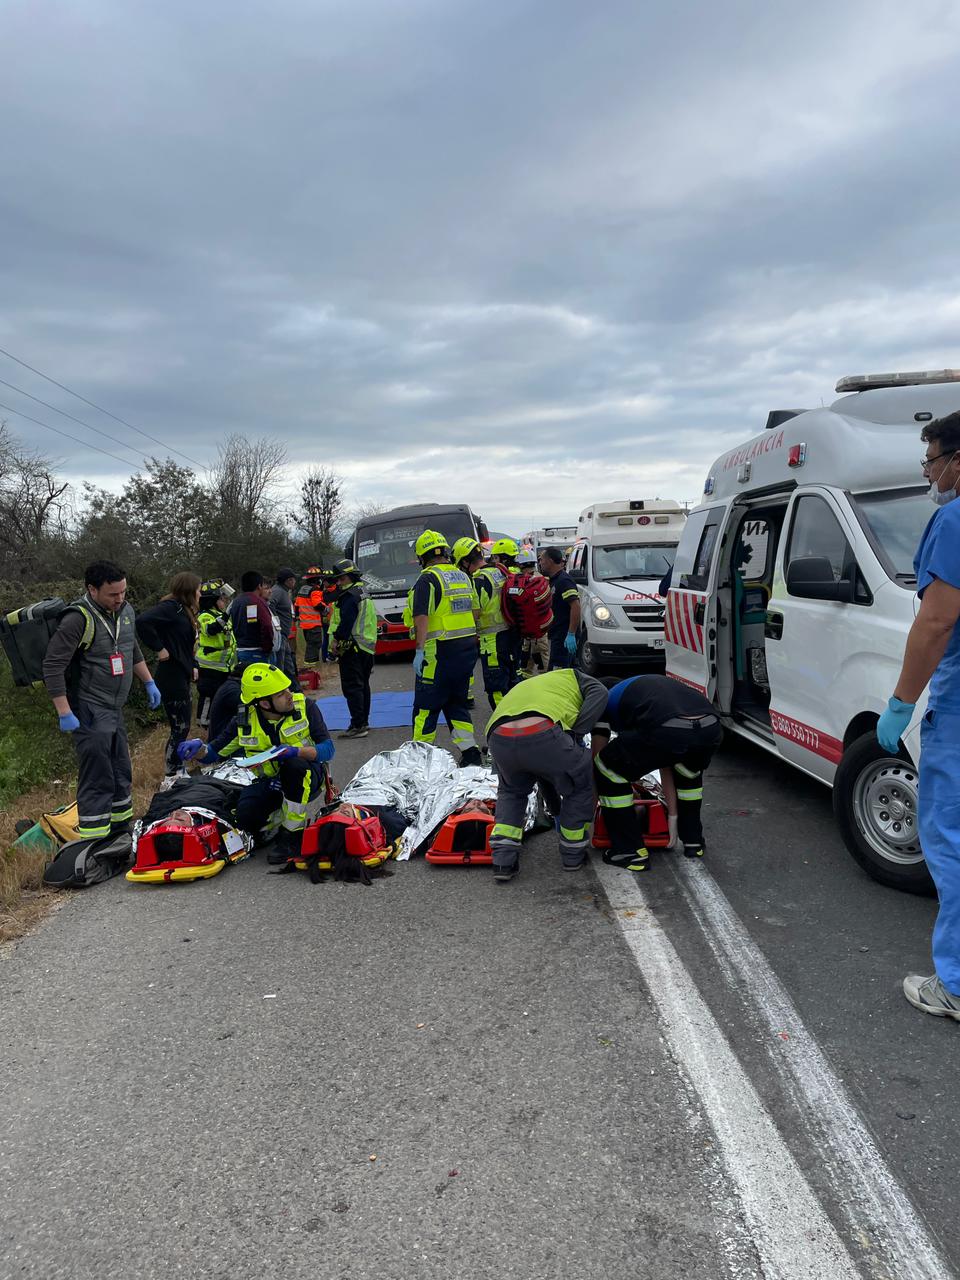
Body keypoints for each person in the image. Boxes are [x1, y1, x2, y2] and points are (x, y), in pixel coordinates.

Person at [878, 411, 960, 1021]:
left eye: (931, 460)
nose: (930, 472)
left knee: (952, 839)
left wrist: (902, 700)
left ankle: (954, 983)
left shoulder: (953, 520)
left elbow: (935, 621)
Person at [42, 560, 161, 840]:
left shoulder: (125, 611)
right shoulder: (78, 618)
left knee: (121, 769)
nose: (119, 599)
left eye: (123, 593)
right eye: (112, 594)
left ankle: (120, 830)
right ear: (92, 590)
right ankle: (95, 840)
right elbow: (52, 666)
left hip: (114, 707)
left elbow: (132, 650)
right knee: (98, 775)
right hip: (89, 707)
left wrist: (149, 682)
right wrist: (64, 711)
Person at [178, 662, 335, 862]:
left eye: (287, 689)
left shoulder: (305, 707)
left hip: (308, 776)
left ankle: (293, 835)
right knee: (246, 816)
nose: (289, 695)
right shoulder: (243, 722)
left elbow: (328, 750)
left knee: (295, 767)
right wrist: (197, 749)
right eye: (281, 694)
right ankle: (276, 819)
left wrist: (296, 752)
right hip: (269, 781)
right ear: (264, 703)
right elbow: (213, 753)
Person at [486, 667, 608, 881]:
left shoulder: (546, 684)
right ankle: (572, 855)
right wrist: (576, 734)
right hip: (541, 730)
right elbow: (602, 694)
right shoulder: (585, 681)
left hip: (499, 736)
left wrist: (556, 810)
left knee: (511, 792)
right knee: (581, 778)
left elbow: (544, 773)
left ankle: (503, 863)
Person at [591, 674, 722, 872]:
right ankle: (693, 842)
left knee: (606, 767)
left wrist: (592, 810)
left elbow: (597, 757)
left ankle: (629, 852)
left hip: (669, 727)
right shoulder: (647, 690)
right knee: (688, 771)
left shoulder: (605, 700)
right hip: (710, 726)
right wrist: (673, 818)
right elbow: (666, 760)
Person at [410, 529, 482, 766]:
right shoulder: (462, 577)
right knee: (457, 704)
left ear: (423, 556)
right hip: (465, 651)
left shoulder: (427, 579)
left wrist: (419, 650)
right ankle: (470, 753)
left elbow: (421, 617)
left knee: (425, 708)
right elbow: (475, 612)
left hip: (437, 653)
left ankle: (421, 759)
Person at [136, 572, 201, 778]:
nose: (200, 593)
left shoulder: (185, 611)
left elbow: (184, 644)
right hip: (170, 675)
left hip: (182, 671)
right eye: (198, 589)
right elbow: (142, 621)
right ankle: (172, 772)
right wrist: (159, 648)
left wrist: (193, 664)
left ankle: (177, 768)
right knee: (179, 726)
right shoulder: (170, 607)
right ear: (189, 590)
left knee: (183, 725)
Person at [453, 536, 515, 711]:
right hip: (510, 635)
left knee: (496, 688)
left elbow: (475, 613)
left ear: (466, 561)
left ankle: (506, 725)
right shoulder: (499, 572)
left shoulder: (479, 581)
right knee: (511, 682)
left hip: (493, 641)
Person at [329, 558, 378, 739]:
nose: (339, 582)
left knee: (352, 687)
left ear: (350, 576)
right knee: (363, 685)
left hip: (353, 646)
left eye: (342, 579)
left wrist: (336, 640)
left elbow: (346, 623)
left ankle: (358, 725)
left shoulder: (349, 596)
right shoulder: (362, 591)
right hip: (366, 646)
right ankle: (363, 721)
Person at [196, 580, 236, 729]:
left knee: (219, 696)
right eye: (220, 599)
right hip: (209, 665)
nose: (223, 601)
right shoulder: (205, 616)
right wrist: (226, 615)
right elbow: (211, 629)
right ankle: (204, 726)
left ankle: (216, 723)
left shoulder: (219, 614)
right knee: (208, 695)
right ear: (212, 601)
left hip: (223, 666)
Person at [539, 546, 582, 670]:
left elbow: (575, 606)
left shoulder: (563, 581)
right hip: (558, 635)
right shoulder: (554, 580)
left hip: (564, 636)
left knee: (558, 673)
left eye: (542, 560)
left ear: (550, 561)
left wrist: (571, 634)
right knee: (570, 672)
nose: (540, 563)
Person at [230, 571, 275, 666]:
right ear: (259, 586)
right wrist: (268, 647)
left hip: (240, 650)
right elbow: (267, 626)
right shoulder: (257, 601)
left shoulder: (236, 601)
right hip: (257, 652)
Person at [269, 567, 298, 680]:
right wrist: (277, 624)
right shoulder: (278, 591)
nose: (294, 582)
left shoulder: (284, 591)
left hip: (284, 636)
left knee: (289, 666)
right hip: (279, 635)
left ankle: (294, 691)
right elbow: (270, 604)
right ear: (288, 580)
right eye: (293, 579)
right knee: (280, 667)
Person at [294, 567, 327, 666]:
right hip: (314, 624)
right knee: (314, 645)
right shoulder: (315, 590)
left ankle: (310, 665)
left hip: (305, 624)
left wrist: (298, 618)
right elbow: (317, 604)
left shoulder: (302, 589)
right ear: (317, 580)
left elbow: (296, 605)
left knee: (310, 644)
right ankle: (310, 666)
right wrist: (326, 608)